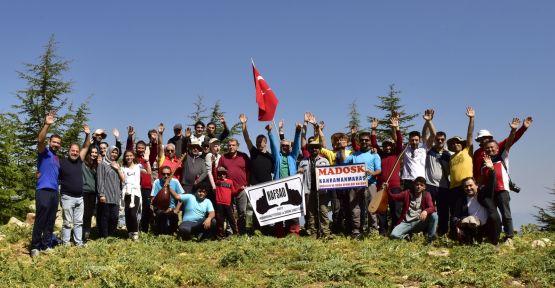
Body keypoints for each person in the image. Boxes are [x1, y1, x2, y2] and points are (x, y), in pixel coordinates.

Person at [481, 117, 522, 240]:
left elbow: (509, 142)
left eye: (492, 147)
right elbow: (483, 178)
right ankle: (494, 236)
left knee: (506, 214)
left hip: (502, 189)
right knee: (493, 216)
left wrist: (513, 130)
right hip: (490, 193)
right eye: (487, 148)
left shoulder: (502, 157)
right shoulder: (483, 163)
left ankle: (509, 236)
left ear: (497, 148)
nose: (490, 149)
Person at [31, 111, 62, 257]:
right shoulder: (44, 152)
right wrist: (47, 125)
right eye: (54, 142)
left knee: (50, 220)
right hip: (43, 190)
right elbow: (40, 140)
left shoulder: (57, 158)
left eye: (58, 143)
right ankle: (35, 246)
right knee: (41, 218)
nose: (56, 144)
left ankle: (46, 244)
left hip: (54, 192)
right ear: (50, 143)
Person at [239, 113, 274, 234]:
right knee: (255, 209)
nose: (259, 143)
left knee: (268, 209)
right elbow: (246, 138)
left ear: (265, 143)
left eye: (261, 142)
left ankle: (267, 230)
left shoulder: (271, 157)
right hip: (254, 186)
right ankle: (256, 230)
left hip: (267, 186)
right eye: (257, 142)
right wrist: (244, 124)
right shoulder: (253, 152)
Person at [369, 114, 404, 235]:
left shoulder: (397, 153)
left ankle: (396, 231)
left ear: (392, 147)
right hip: (381, 186)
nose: (387, 147)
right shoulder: (380, 155)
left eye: (389, 145)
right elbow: (374, 144)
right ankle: (383, 231)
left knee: (396, 210)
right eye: (385, 146)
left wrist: (397, 127)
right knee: (381, 210)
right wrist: (373, 130)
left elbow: (400, 141)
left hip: (394, 186)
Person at [454, 155, 500, 245]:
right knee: (465, 223)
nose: (469, 188)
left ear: (476, 185)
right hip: (473, 228)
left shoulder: (484, 194)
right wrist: (461, 221)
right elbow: (454, 217)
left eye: (471, 185)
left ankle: (494, 241)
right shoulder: (461, 201)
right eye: (466, 186)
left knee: (494, 217)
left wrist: (491, 170)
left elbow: (491, 185)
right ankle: (469, 241)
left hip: (487, 226)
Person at [344, 131, 382, 239]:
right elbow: (342, 166)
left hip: (371, 184)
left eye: (366, 140)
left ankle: (373, 231)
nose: (364, 142)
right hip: (356, 185)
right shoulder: (354, 155)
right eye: (362, 140)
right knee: (355, 209)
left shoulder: (374, 155)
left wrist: (372, 173)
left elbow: (379, 170)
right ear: (359, 142)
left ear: (370, 141)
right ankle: (356, 231)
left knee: (372, 208)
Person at [267, 122, 302, 236]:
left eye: (287, 145)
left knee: (293, 210)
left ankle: (294, 232)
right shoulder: (278, 157)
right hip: (278, 187)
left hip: (292, 186)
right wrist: (270, 133)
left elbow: (297, 145)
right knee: (279, 211)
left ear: (290, 147)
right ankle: (279, 234)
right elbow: (273, 146)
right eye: (283, 146)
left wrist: (297, 132)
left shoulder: (293, 156)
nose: (285, 147)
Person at [59, 124, 91, 247]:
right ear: (69, 151)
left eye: (77, 151)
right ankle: (66, 242)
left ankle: (78, 242)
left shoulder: (79, 160)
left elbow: (86, 146)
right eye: (73, 150)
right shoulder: (62, 162)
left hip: (79, 197)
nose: (75, 153)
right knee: (67, 222)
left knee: (79, 222)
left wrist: (87, 134)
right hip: (67, 197)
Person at [472, 116, 532, 181]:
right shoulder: (477, 153)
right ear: (479, 141)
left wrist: (523, 128)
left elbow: (511, 140)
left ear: (490, 138)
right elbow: (475, 169)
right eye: (481, 139)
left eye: (485, 137)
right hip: (484, 184)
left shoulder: (498, 146)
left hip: (499, 180)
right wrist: (476, 181)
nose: (484, 140)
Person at [421, 109, 451, 236]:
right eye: (437, 139)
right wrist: (428, 122)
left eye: (442, 139)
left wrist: (430, 121)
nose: (439, 141)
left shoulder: (448, 154)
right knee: (428, 209)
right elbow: (426, 135)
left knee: (444, 211)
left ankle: (443, 233)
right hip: (430, 185)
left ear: (444, 140)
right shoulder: (430, 150)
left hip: (444, 186)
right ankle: (427, 232)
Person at [446, 107, 475, 237]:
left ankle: (468, 234)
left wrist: (471, 119)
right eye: (452, 144)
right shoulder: (451, 157)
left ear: (462, 144)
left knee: (467, 211)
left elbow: (469, 135)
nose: (455, 144)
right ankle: (454, 234)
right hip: (453, 188)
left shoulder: (467, 151)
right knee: (454, 212)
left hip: (466, 187)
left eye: (457, 142)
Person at [298, 140, 332, 239]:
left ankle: (325, 233)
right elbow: (298, 176)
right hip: (308, 190)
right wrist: (299, 171)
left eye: (316, 147)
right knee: (311, 213)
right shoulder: (303, 161)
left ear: (319, 149)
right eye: (312, 147)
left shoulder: (324, 161)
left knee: (323, 212)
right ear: (309, 149)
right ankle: (313, 233)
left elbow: (330, 175)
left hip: (322, 191)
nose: (314, 149)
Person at [388, 177, 438, 243]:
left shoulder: (426, 195)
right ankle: (406, 237)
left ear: (424, 187)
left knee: (434, 215)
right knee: (393, 235)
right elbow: (394, 197)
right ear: (414, 185)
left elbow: (432, 208)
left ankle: (430, 239)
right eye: (417, 184)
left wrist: (426, 211)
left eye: (421, 185)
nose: (419, 187)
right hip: (406, 223)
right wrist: (387, 189)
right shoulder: (407, 193)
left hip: (419, 222)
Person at [218, 138, 250, 235]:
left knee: (242, 212)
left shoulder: (243, 156)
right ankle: (230, 232)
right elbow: (219, 172)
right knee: (229, 212)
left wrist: (247, 184)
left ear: (237, 146)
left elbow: (249, 171)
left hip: (242, 189)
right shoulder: (223, 158)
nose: (231, 147)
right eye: (229, 145)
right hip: (227, 190)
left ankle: (242, 232)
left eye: (233, 145)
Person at [126, 126, 153, 233]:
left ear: (145, 149)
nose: (140, 149)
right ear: (136, 148)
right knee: (133, 209)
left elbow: (155, 149)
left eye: (143, 148)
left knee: (146, 209)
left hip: (146, 187)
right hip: (135, 187)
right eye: (139, 147)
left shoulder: (148, 158)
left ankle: (144, 229)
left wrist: (155, 139)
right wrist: (130, 137)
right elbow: (128, 148)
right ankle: (133, 229)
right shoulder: (133, 158)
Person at [97, 146, 124, 238]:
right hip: (106, 196)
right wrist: (101, 194)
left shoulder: (117, 165)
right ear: (108, 152)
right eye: (113, 152)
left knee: (114, 217)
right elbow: (100, 180)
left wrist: (117, 169)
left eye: (116, 153)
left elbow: (122, 180)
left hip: (115, 196)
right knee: (105, 217)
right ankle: (104, 236)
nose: (114, 154)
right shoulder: (102, 164)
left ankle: (111, 236)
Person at [150, 166, 185, 235]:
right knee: (162, 230)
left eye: (168, 174)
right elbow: (153, 199)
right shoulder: (157, 182)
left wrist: (176, 210)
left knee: (171, 230)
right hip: (160, 209)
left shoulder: (175, 181)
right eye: (164, 174)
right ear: (161, 174)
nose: (166, 176)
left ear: (171, 174)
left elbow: (181, 198)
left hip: (173, 208)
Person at [212, 163, 239, 238]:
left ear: (226, 174)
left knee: (231, 219)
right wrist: (213, 164)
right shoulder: (217, 182)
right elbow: (213, 173)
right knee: (220, 220)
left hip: (228, 204)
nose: (222, 175)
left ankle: (236, 233)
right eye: (220, 174)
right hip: (219, 204)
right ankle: (221, 235)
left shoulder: (230, 181)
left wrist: (240, 189)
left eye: (223, 174)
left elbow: (233, 192)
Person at [121, 150, 143, 240]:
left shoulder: (138, 166)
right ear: (124, 157)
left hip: (136, 193)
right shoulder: (123, 168)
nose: (129, 157)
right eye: (127, 156)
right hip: (126, 192)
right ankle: (129, 232)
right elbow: (123, 180)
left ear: (133, 156)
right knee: (128, 213)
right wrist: (118, 170)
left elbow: (148, 172)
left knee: (134, 213)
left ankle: (135, 232)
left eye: (130, 155)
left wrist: (147, 162)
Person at [82, 145, 99, 241]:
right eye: (92, 152)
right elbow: (84, 149)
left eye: (96, 153)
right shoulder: (83, 162)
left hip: (93, 192)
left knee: (89, 214)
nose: (94, 154)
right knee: (84, 214)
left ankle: (86, 233)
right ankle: (81, 233)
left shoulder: (96, 164)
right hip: (84, 191)